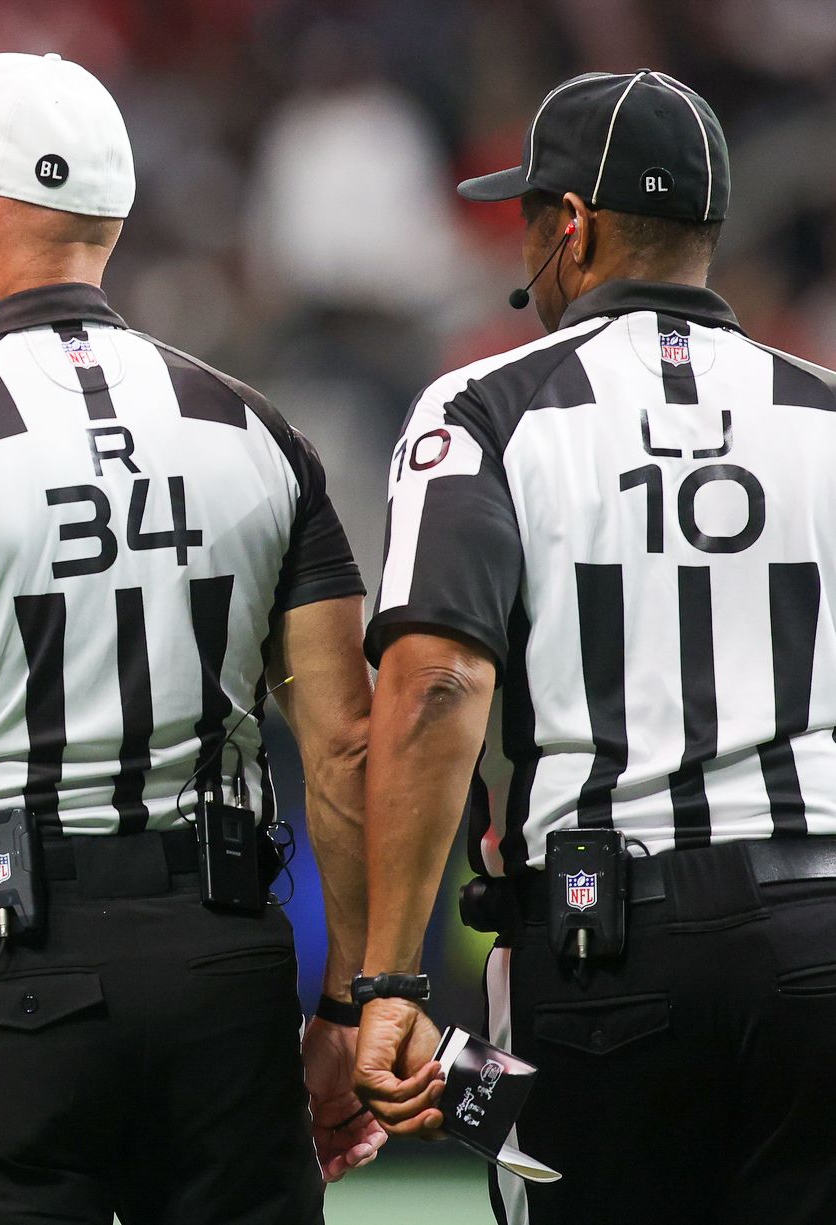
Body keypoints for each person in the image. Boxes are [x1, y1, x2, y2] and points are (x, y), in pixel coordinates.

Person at [0, 52, 384, 1225]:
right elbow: (349, 744)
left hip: (14, 971)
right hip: (225, 961)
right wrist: (355, 1001)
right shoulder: (255, 430)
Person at [353, 70, 836, 1225]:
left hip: (605, 949)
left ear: (570, 226)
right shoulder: (824, 409)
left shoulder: (479, 408)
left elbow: (434, 684)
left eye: (528, 214)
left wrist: (388, 981)